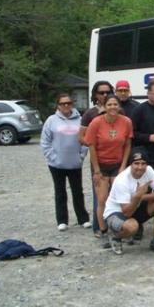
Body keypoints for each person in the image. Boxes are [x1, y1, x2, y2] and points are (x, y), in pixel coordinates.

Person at [102, 149, 154, 255]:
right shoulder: (122, 180)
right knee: (132, 227)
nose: (140, 167)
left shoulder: (149, 170)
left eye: (143, 163)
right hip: (116, 213)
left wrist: (141, 196)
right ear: (130, 164)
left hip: (135, 205)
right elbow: (126, 213)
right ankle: (115, 236)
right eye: (136, 163)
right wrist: (137, 196)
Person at [84, 94, 133, 247]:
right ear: (105, 107)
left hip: (118, 164)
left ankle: (120, 229)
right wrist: (97, 171)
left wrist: (123, 166)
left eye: (115, 104)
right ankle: (104, 230)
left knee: (121, 199)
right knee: (102, 199)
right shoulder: (96, 122)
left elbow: (127, 145)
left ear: (119, 106)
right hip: (101, 164)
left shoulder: (126, 122)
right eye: (109, 104)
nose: (113, 107)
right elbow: (91, 146)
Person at [41, 94, 91, 231]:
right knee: (60, 191)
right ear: (58, 105)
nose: (66, 105)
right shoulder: (51, 121)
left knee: (78, 191)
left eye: (68, 103)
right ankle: (62, 220)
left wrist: (81, 155)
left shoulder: (80, 120)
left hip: (74, 163)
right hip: (57, 164)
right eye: (63, 103)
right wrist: (53, 157)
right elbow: (45, 142)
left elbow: (85, 139)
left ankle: (83, 219)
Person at [79, 80, 113, 234]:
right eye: (101, 92)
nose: (105, 95)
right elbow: (81, 137)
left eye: (107, 92)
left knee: (115, 194)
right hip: (98, 161)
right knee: (100, 197)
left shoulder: (116, 111)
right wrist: (96, 143)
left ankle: (114, 227)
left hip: (115, 161)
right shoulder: (90, 114)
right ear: (95, 95)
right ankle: (98, 227)